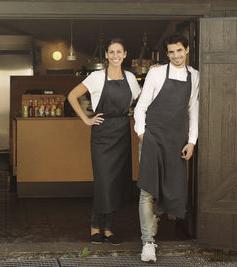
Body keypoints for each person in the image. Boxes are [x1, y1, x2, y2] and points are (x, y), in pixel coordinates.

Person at [68, 38, 141, 245]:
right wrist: (87, 120)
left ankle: (108, 229)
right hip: (102, 133)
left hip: (122, 131)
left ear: (125, 54)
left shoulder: (131, 78)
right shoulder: (96, 77)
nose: (115, 55)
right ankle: (94, 226)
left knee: (116, 182)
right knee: (103, 181)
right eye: (111, 52)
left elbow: (142, 100)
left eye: (119, 52)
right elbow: (72, 96)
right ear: (106, 55)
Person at [133, 33, 199, 263]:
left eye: (179, 51)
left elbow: (193, 110)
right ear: (167, 53)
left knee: (172, 186)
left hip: (176, 141)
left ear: (187, 49)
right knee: (148, 189)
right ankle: (148, 242)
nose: (176, 56)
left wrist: (191, 141)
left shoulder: (195, 76)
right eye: (171, 52)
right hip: (152, 138)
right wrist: (142, 135)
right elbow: (140, 107)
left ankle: (155, 218)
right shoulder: (156, 72)